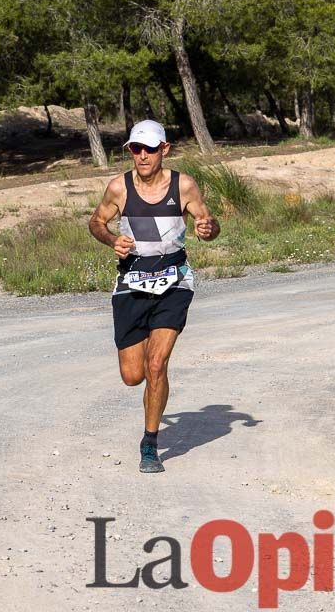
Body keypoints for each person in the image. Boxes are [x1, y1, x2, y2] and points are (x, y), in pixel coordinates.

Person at [88, 120, 220, 473]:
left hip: (174, 280)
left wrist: (208, 230)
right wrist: (111, 239)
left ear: (165, 149)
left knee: (157, 364)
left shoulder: (184, 185)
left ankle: (150, 443)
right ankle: (149, 381)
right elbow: (96, 222)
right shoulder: (119, 187)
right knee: (133, 376)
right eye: (136, 149)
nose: (142, 156)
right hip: (132, 281)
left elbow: (208, 225)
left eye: (149, 149)